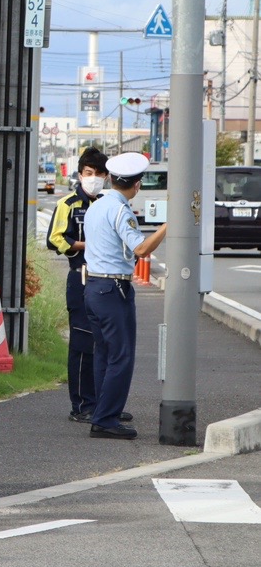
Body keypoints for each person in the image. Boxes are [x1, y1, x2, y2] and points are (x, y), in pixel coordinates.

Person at [83, 152, 168, 440]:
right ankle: (106, 419)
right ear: (137, 184)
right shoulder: (121, 210)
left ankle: (103, 410)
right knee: (121, 356)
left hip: (94, 285)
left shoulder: (98, 205)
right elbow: (141, 249)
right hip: (113, 289)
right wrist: (168, 227)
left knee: (104, 355)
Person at [48, 147, 121, 424]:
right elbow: (55, 239)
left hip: (107, 279)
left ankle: (104, 403)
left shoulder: (109, 203)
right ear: (80, 174)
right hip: (80, 275)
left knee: (106, 343)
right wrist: (87, 246)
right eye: (89, 174)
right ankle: (81, 404)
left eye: (99, 174)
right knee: (82, 342)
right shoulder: (68, 204)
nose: (93, 179)